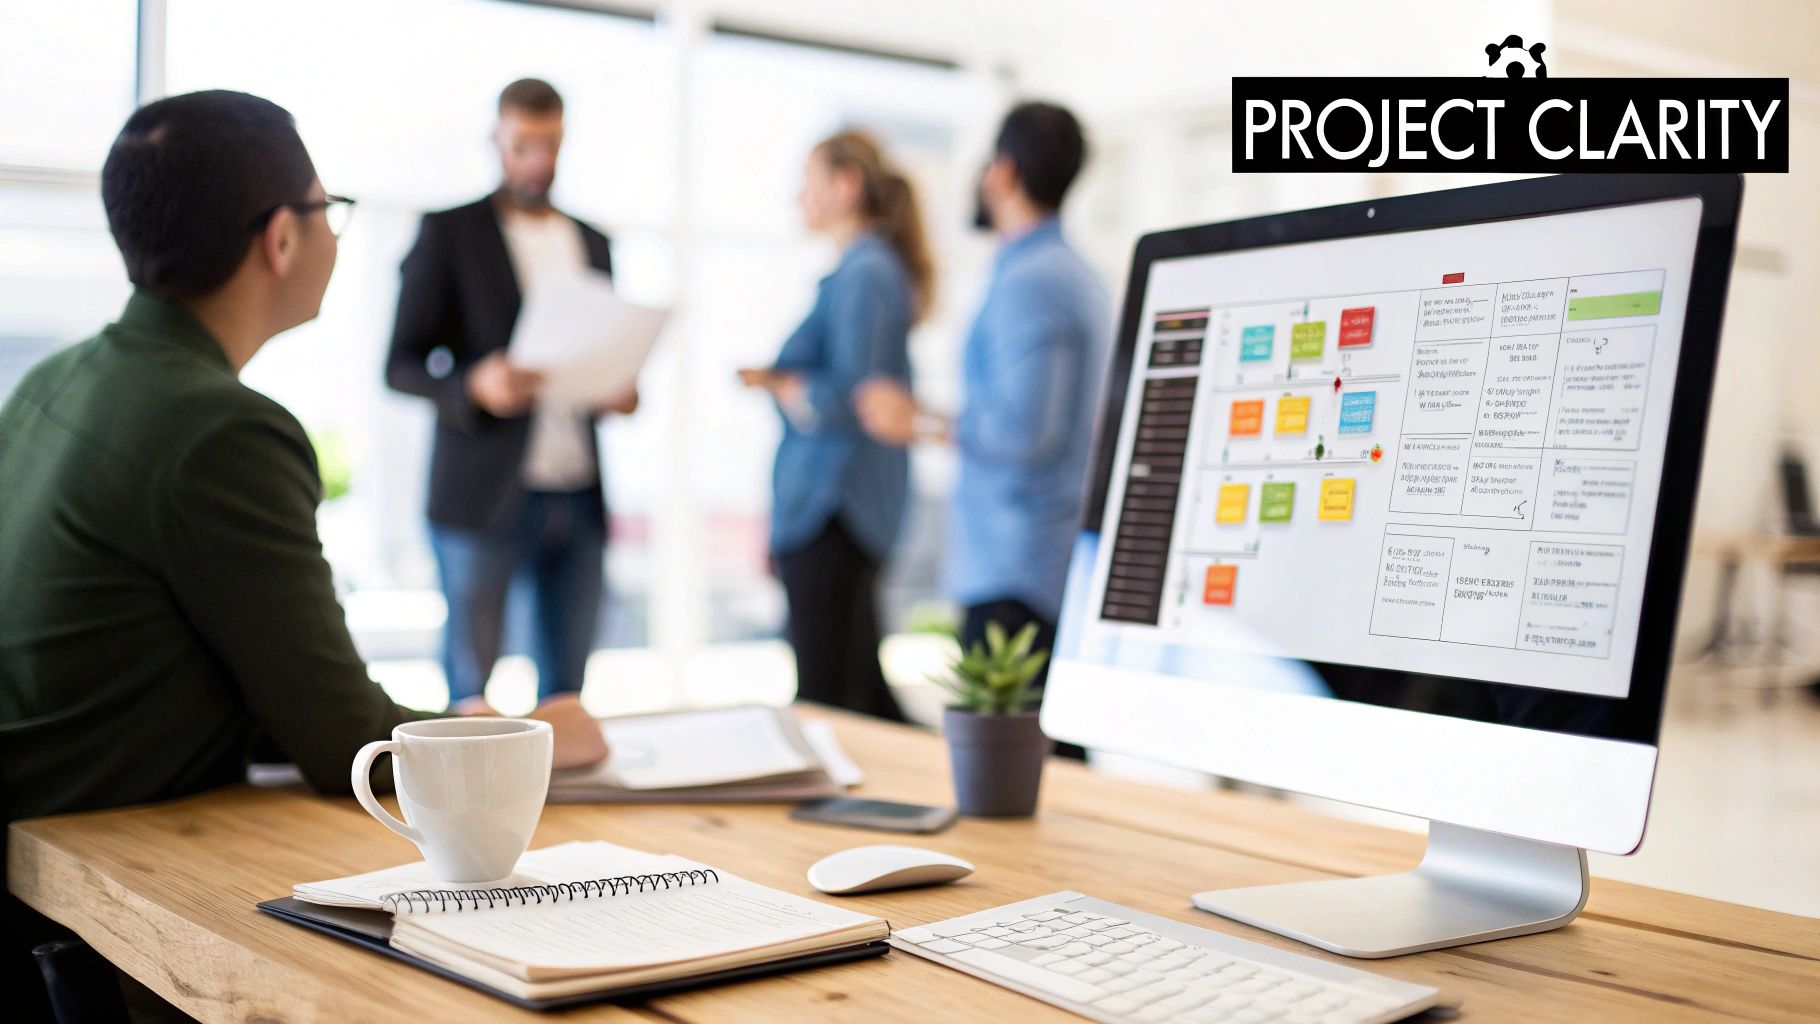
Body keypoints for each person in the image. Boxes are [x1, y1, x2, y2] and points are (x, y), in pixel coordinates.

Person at [0, 90, 607, 1017]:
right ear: (281, 239)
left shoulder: (58, 377)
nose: (334, 233)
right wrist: (520, 741)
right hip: (81, 891)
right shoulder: (220, 431)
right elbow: (339, 739)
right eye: (329, 210)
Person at [386, 78, 635, 708]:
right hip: (481, 495)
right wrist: (473, 383)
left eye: (550, 145)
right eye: (523, 145)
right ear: (496, 139)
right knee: (472, 692)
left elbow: (602, 347)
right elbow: (401, 364)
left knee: (568, 695)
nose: (537, 161)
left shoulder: (593, 241)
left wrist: (617, 387)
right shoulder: (450, 232)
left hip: (575, 491)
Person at [855, 102, 1108, 716]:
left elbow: (1024, 431)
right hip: (1033, 559)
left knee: (1006, 768)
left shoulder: (1034, 281)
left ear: (1003, 171)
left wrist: (917, 420)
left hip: (1017, 568)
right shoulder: (1068, 272)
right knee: (1043, 757)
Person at [738, 131, 934, 721]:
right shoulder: (862, 269)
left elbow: (861, 397)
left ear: (844, 187)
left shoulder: (867, 271)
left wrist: (788, 386)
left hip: (834, 505)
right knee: (859, 688)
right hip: (837, 506)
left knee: (828, 697)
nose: (799, 197)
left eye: (810, 181)